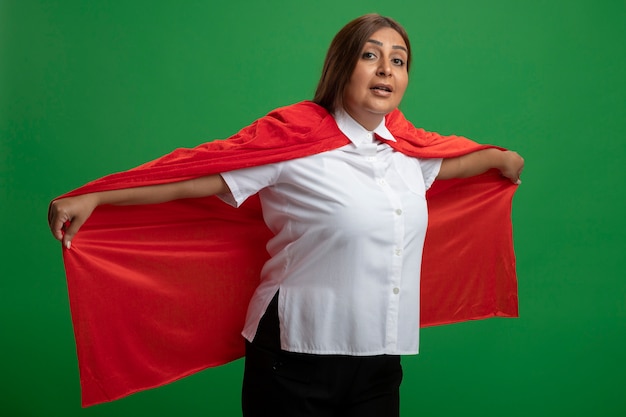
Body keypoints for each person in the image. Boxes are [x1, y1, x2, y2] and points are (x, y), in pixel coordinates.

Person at [49, 14, 523, 417]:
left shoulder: (409, 155)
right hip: (295, 356)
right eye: (370, 55)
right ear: (342, 67)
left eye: (398, 60)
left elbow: (461, 160)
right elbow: (199, 175)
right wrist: (100, 197)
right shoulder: (292, 144)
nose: (386, 69)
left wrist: (503, 159)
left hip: (380, 360)